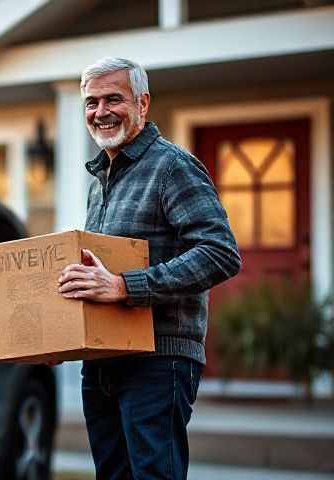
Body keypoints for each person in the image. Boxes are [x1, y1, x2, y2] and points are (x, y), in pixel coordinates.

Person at [54, 57, 241, 479]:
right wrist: (61, 339)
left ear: (143, 102)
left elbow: (220, 251)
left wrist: (125, 286)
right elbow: (96, 277)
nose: (100, 112)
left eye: (112, 99)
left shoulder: (172, 166)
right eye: (91, 102)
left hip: (159, 361)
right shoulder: (99, 181)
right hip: (104, 361)